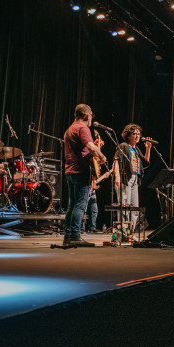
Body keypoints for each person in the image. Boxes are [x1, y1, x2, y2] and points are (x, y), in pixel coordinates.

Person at [63, 103, 107, 247]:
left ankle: (68, 236)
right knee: (81, 205)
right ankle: (75, 236)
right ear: (87, 116)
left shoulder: (70, 129)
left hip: (69, 170)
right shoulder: (83, 128)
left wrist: (95, 147)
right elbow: (90, 147)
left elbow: (83, 149)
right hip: (81, 171)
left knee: (72, 205)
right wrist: (102, 156)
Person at [112, 123, 151, 232]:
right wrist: (117, 177)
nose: (137, 136)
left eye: (138, 134)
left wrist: (148, 149)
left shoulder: (137, 149)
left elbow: (146, 163)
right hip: (125, 178)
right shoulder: (123, 146)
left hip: (135, 179)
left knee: (134, 207)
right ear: (128, 135)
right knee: (125, 206)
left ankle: (131, 232)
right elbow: (116, 161)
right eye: (134, 134)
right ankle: (123, 232)